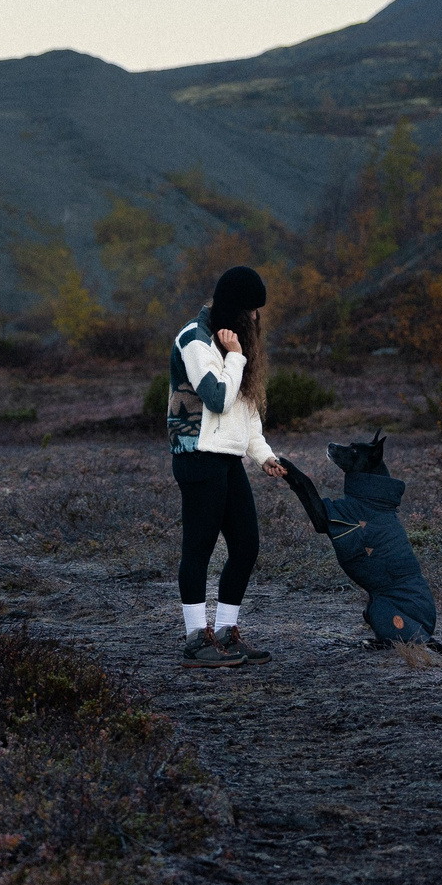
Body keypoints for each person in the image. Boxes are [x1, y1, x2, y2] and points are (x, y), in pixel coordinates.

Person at [166, 264, 287, 667]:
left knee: (246, 544)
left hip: (228, 458)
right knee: (198, 548)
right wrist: (235, 356)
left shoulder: (235, 348)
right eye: (251, 310)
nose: (256, 318)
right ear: (235, 309)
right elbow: (217, 398)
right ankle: (194, 641)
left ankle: (225, 633)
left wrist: (265, 455)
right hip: (197, 455)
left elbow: (245, 413)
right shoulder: (195, 339)